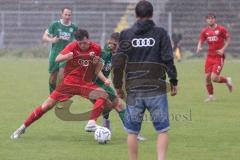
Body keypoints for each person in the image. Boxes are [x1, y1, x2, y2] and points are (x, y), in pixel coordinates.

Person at [11, 29, 111, 140]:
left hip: (84, 83)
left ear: (89, 39)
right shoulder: (72, 47)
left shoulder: (96, 48)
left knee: (103, 95)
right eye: (80, 43)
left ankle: (91, 123)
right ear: (76, 42)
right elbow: (57, 58)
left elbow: (97, 68)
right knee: (47, 105)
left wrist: (104, 79)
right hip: (69, 83)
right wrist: (67, 56)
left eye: (85, 42)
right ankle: (22, 127)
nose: (83, 45)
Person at [112, 1, 178, 160]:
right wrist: (174, 81)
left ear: (135, 15)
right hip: (156, 88)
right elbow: (168, 58)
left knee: (132, 132)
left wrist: (118, 86)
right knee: (162, 130)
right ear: (152, 14)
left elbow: (118, 63)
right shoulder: (161, 33)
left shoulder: (126, 34)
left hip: (134, 90)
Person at [84, 32, 145, 141]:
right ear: (111, 43)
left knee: (111, 105)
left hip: (99, 84)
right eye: (117, 45)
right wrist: (105, 80)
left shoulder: (116, 54)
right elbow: (97, 71)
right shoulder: (105, 53)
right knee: (118, 105)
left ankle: (107, 125)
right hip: (94, 84)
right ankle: (133, 134)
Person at [197, 13, 233, 102]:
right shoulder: (205, 31)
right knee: (207, 78)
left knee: (214, 78)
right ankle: (211, 96)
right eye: (208, 19)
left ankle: (227, 80)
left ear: (215, 19)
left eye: (212, 18)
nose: (210, 20)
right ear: (206, 20)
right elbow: (201, 40)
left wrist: (223, 49)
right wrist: (199, 46)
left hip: (218, 57)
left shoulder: (221, 29)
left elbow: (228, 39)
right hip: (209, 57)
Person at [42, 7, 78, 93]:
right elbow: (44, 37)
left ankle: (59, 96)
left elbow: (77, 41)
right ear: (61, 14)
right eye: (65, 14)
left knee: (62, 76)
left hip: (66, 55)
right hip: (55, 53)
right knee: (52, 79)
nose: (67, 16)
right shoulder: (55, 24)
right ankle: (52, 95)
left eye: (69, 15)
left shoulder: (74, 27)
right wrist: (52, 40)